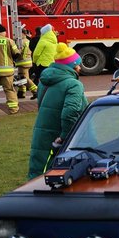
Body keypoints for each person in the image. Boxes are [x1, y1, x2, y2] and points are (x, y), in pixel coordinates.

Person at [27, 43, 89, 178]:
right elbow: (71, 113)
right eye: (78, 64)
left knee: (39, 168)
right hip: (60, 135)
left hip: (42, 129)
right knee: (61, 171)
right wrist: (65, 136)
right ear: (73, 65)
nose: (80, 67)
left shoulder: (44, 80)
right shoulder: (74, 84)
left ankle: (32, 191)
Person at [15, 27, 38, 99]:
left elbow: (19, 52)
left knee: (25, 78)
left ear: (22, 33)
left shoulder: (21, 42)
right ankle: (21, 92)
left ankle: (35, 91)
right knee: (21, 77)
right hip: (27, 62)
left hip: (22, 62)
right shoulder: (28, 40)